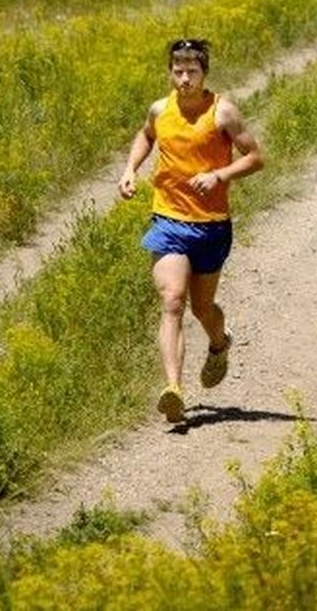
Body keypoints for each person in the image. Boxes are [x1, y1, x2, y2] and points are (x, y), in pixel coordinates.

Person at [118, 38, 264, 423]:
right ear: (171, 73)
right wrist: (131, 169)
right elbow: (147, 135)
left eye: (192, 72)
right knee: (172, 300)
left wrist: (219, 175)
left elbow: (255, 157)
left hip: (212, 225)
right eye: (178, 71)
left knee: (202, 307)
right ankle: (173, 389)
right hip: (168, 220)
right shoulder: (160, 110)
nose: (184, 79)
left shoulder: (223, 112)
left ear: (204, 74)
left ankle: (220, 342)